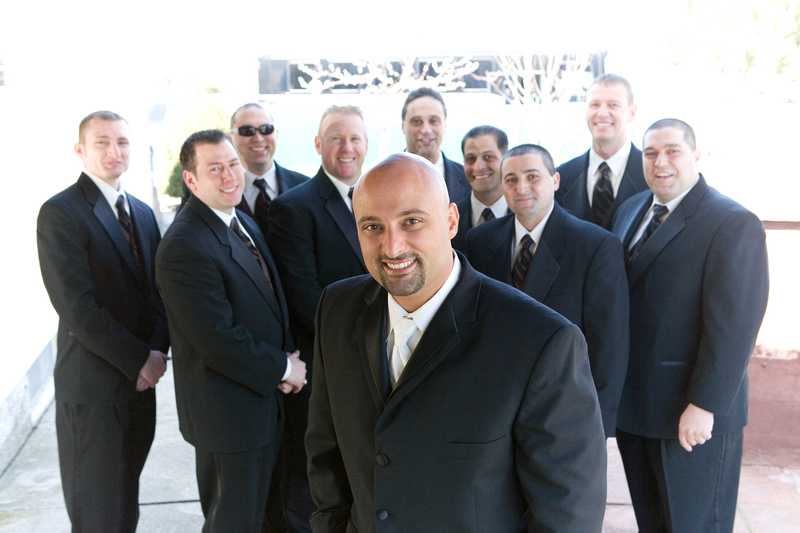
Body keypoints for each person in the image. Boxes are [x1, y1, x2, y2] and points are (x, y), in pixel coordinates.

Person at [306, 152, 607, 532]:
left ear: (451, 220)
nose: (392, 247)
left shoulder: (541, 340)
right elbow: (325, 455)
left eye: (411, 221)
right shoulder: (337, 309)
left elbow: (569, 513)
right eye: (372, 227)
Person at [611, 119, 769, 533]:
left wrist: (705, 404)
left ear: (696, 155)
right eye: (650, 153)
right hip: (637, 409)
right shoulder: (630, 210)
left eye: (672, 151)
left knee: (697, 525)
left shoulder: (731, 222)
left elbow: (735, 327)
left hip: (691, 412)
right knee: (655, 523)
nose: (660, 162)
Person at [155, 129, 306, 533]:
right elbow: (216, 338)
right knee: (233, 523)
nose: (229, 176)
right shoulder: (184, 245)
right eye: (215, 169)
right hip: (228, 420)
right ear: (191, 180)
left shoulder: (240, 221)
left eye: (233, 164)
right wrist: (283, 368)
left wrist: (284, 363)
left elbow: (271, 304)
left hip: (263, 405)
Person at [36, 110, 169, 532]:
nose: (115, 151)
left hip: (140, 388)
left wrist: (157, 352)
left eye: (122, 142)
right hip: (93, 391)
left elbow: (159, 294)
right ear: (80, 150)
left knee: (125, 507)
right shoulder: (60, 213)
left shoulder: (142, 213)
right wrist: (139, 360)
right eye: (102, 142)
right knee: (97, 515)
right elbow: (77, 307)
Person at [466, 144, 628, 437]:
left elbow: (610, 343)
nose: (521, 187)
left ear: (555, 180)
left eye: (532, 177)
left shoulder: (595, 245)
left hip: (564, 407)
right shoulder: (479, 241)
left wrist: (601, 427)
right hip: (494, 406)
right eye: (511, 179)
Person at [265, 105, 369, 532]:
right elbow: (304, 296)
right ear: (318, 144)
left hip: (377, 366)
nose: (347, 148)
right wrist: (364, 339)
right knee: (314, 482)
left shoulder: (378, 197)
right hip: (326, 364)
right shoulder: (294, 207)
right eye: (336, 138)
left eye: (355, 138)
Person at [556, 74, 647, 229]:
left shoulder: (652, 174)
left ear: (632, 113)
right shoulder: (562, 176)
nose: (602, 113)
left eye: (613, 105)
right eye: (595, 104)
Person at [230, 102, 309, 237]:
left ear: (276, 134)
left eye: (266, 129)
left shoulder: (306, 187)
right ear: (232, 136)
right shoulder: (219, 192)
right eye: (247, 131)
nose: (258, 138)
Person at [401, 87, 470, 202]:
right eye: (417, 122)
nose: (426, 130)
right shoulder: (383, 178)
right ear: (403, 126)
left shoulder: (469, 180)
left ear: (445, 125)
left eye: (433, 121)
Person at [451, 125, 510, 251]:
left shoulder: (524, 215)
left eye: (488, 157)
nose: (478, 167)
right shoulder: (450, 218)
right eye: (470, 159)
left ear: (506, 160)